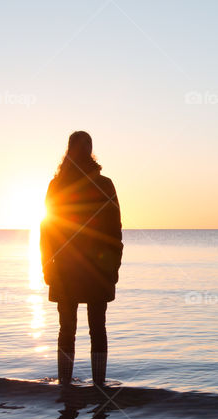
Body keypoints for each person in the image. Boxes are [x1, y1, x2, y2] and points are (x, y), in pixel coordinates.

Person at [40, 131, 123, 387]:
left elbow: (47, 230)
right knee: (95, 329)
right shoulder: (102, 184)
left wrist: (47, 266)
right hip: (92, 268)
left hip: (69, 268)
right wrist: (112, 268)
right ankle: (98, 386)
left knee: (69, 329)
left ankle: (66, 384)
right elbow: (114, 232)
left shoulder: (58, 185)